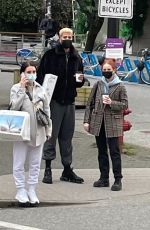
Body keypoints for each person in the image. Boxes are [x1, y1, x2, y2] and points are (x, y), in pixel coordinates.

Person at [36, 27, 85, 184]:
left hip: (69, 102)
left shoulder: (76, 56)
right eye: (65, 36)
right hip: (54, 102)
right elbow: (39, 77)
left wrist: (80, 80)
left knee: (67, 137)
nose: (67, 38)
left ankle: (67, 169)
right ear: (59, 37)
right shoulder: (50, 55)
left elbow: (80, 79)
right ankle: (48, 168)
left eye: (70, 36)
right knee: (51, 136)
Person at [10, 61, 52, 206]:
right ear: (22, 73)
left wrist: (48, 130)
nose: (32, 74)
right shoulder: (16, 88)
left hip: (39, 131)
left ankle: (32, 189)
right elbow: (13, 107)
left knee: (35, 163)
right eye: (29, 72)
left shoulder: (41, 89)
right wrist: (22, 88)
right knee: (19, 162)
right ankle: (20, 189)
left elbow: (47, 111)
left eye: (34, 71)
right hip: (21, 131)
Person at [83, 58, 128, 191]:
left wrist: (111, 102)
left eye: (109, 70)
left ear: (114, 70)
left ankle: (118, 179)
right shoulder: (98, 84)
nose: (106, 72)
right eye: (104, 70)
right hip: (98, 122)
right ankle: (104, 178)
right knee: (101, 151)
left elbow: (125, 105)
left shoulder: (120, 86)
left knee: (114, 151)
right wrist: (86, 121)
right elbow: (89, 104)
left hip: (113, 122)